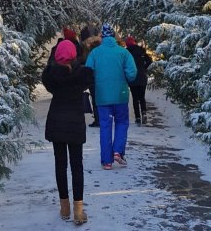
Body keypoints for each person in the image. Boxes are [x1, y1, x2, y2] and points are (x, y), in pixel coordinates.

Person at [42, 39, 93, 225]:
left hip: (56, 122)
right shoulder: (82, 75)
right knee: (77, 166)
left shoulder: (52, 76)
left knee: (60, 165)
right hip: (75, 123)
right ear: (74, 55)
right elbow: (88, 77)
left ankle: (64, 206)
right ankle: (78, 210)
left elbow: (47, 76)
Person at [85, 23, 137, 169]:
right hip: (120, 95)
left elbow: (87, 72)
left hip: (102, 96)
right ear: (113, 36)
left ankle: (107, 161)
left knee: (105, 127)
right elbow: (132, 74)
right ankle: (118, 151)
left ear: (102, 36)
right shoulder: (123, 53)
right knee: (121, 122)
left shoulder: (95, 53)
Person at [125, 36, 153, 125]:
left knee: (135, 98)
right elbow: (149, 61)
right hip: (142, 77)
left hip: (132, 77)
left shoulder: (126, 53)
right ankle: (144, 113)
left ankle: (137, 118)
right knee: (142, 97)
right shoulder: (141, 51)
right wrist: (144, 69)